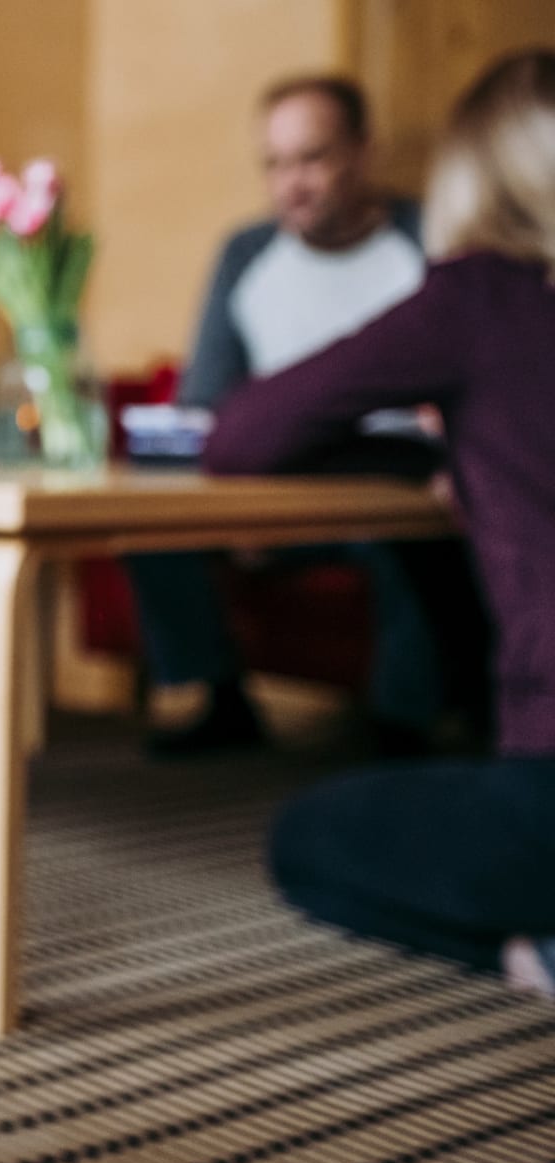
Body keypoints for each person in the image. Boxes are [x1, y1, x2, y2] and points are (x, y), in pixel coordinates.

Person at [203, 49, 555, 993]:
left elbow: (239, 432)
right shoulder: (252, 258)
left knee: (308, 841)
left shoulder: (481, 293)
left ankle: (535, 950)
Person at [127, 75, 479, 757]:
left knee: (411, 540)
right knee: (142, 522)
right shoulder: (247, 253)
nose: (292, 183)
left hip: (395, 482)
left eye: (312, 159)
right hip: (275, 476)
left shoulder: (430, 239)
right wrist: (241, 506)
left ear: (363, 153)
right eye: (275, 164)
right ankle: (216, 695)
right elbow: (205, 402)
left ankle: (404, 728)